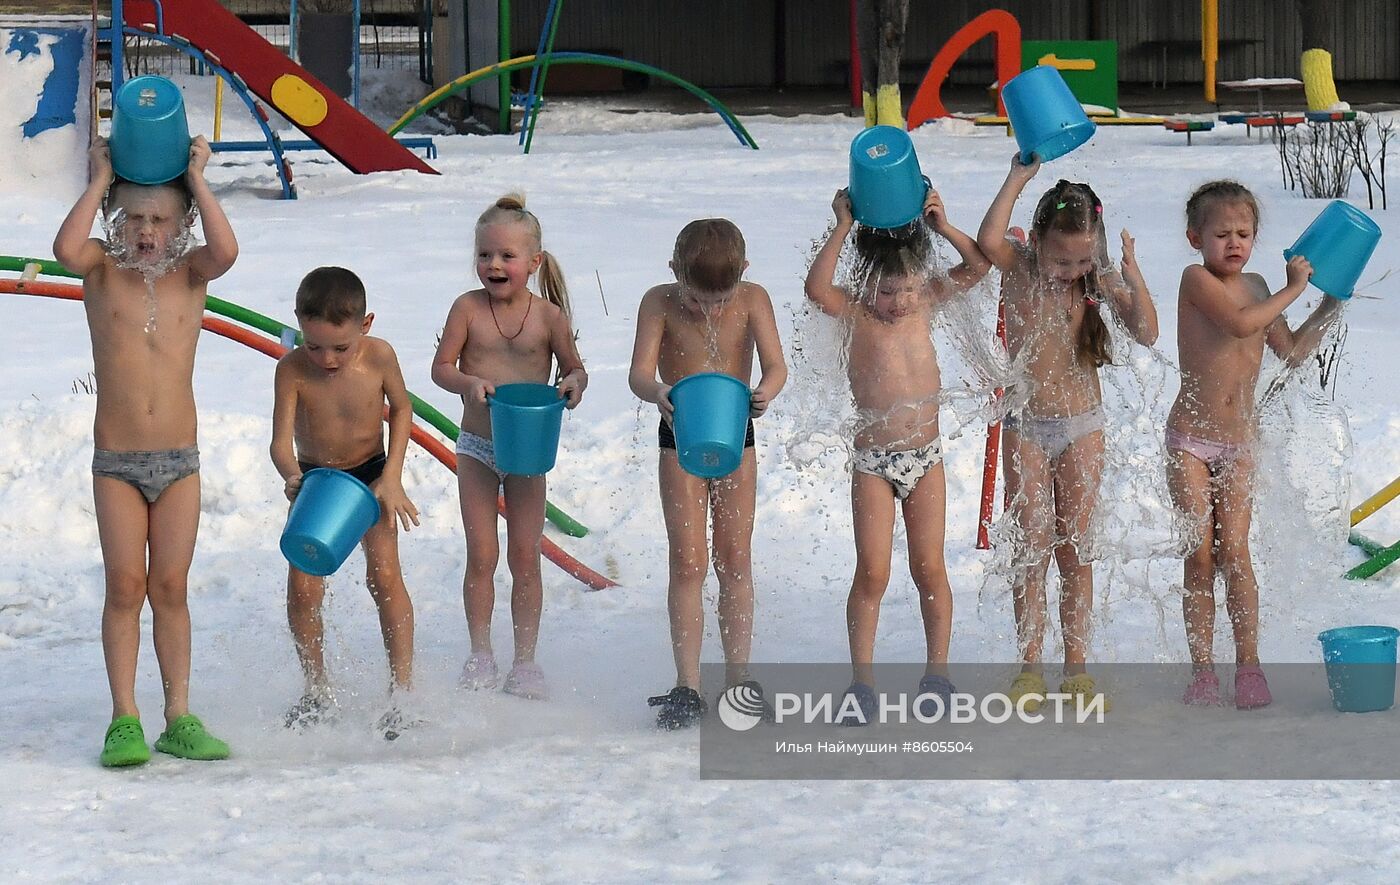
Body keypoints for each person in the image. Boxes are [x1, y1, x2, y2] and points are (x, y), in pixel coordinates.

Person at [53, 136, 238, 766]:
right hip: (118, 466)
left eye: (160, 220)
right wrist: (102, 177)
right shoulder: (101, 269)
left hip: (179, 462)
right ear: (115, 220)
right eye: (133, 218)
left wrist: (198, 179)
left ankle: (179, 715)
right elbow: (63, 249)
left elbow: (227, 250)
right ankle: (123, 718)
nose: (146, 233)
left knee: (171, 587)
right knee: (125, 585)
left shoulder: (190, 273)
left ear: (180, 224)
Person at [977, 156, 1158, 712]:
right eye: (1061, 259)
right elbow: (986, 239)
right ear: (1036, 241)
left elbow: (1148, 333)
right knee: (1031, 548)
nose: (1069, 270)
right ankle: (1030, 664)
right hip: (1026, 426)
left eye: (1082, 258)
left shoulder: (1093, 281)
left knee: (1076, 551)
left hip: (1083, 427)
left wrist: (1126, 272)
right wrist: (1017, 177)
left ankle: (1076, 665)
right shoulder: (1019, 268)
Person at [804, 188, 989, 723]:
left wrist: (944, 227)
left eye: (907, 288)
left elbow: (977, 267)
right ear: (867, 286)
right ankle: (861, 682)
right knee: (873, 574)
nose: (901, 301)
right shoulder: (857, 313)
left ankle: (938, 673)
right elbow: (816, 287)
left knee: (930, 568)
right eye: (888, 291)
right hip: (874, 466)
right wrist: (841, 225)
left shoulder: (927, 300)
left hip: (926, 458)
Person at [1168, 180, 1341, 709]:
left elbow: (1287, 351)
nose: (1234, 242)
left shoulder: (1262, 285)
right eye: (1222, 233)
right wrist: (1295, 290)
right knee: (1200, 555)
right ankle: (1202, 671)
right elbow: (1239, 323)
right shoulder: (1195, 279)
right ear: (1195, 237)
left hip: (1240, 442)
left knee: (1235, 552)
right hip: (1190, 442)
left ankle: (1249, 665)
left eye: (1244, 233)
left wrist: (1329, 304)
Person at [629, 218, 788, 729]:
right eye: (697, 300)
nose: (709, 311)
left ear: (744, 272)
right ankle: (688, 684)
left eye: (720, 301)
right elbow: (639, 372)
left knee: (736, 557)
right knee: (688, 560)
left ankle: (739, 678)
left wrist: (766, 391)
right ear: (674, 270)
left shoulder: (753, 298)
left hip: (736, 433)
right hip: (679, 433)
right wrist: (658, 393)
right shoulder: (658, 301)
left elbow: (777, 366)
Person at [431, 194, 587, 702]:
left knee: (525, 555)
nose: (493, 265)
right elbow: (441, 368)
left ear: (534, 263)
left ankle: (525, 660)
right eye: (484, 255)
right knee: (482, 552)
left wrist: (574, 386)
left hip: (529, 450)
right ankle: (480, 653)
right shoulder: (466, 308)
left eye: (506, 256)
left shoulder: (549, 317)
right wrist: (468, 383)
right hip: (478, 445)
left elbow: (574, 368)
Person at [270, 266, 421, 737]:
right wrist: (292, 476)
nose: (327, 359)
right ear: (298, 324)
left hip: (371, 475)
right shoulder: (291, 370)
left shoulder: (379, 357)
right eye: (313, 345)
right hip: (316, 481)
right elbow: (279, 444)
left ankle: (403, 693)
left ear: (366, 324)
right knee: (304, 587)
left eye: (340, 347)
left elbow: (401, 408)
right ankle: (316, 690)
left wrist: (392, 475)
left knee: (385, 576)